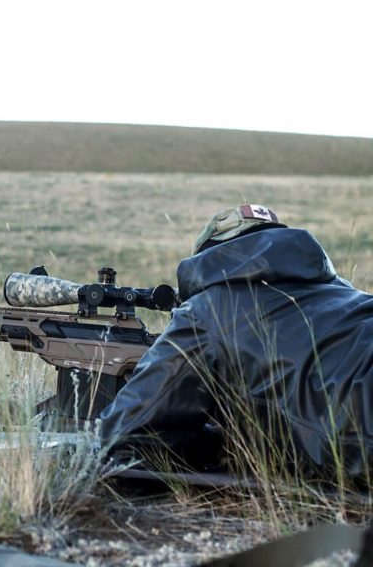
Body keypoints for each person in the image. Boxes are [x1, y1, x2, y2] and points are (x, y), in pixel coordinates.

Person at [99, 204, 373, 478]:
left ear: (211, 256)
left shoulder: (209, 310)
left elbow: (124, 442)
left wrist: (219, 442)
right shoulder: (351, 297)